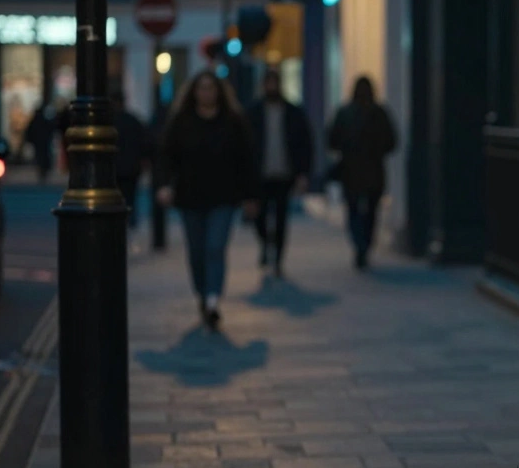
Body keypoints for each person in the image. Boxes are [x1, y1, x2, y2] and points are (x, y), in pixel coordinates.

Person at [155, 70, 260, 331]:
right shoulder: (182, 122)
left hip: (224, 197)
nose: (206, 93)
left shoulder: (233, 122)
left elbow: (247, 159)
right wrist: (164, 185)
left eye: (211, 88)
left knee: (215, 247)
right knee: (196, 251)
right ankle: (203, 294)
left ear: (219, 92)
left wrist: (251, 195)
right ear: (194, 92)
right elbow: (166, 156)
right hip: (190, 197)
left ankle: (213, 299)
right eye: (201, 88)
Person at [247, 69, 314, 277]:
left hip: (285, 174)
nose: (272, 87)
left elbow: (305, 144)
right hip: (260, 174)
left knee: (281, 218)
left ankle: (278, 258)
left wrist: (302, 173)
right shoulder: (254, 112)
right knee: (259, 217)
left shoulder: (293, 112)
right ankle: (266, 243)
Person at [326, 76, 397, 269]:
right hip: (372, 172)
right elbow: (391, 142)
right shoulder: (379, 113)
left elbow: (332, 140)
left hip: (352, 172)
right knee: (370, 212)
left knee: (354, 211)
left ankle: (360, 245)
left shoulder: (346, 113)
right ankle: (364, 245)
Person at [111, 89, 150, 232]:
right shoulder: (133, 121)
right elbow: (144, 143)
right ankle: (130, 219)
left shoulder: (110, 122)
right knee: (130, 196)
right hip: (131, 167)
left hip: (116, 167)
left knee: (116, 197)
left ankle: (120, 221)